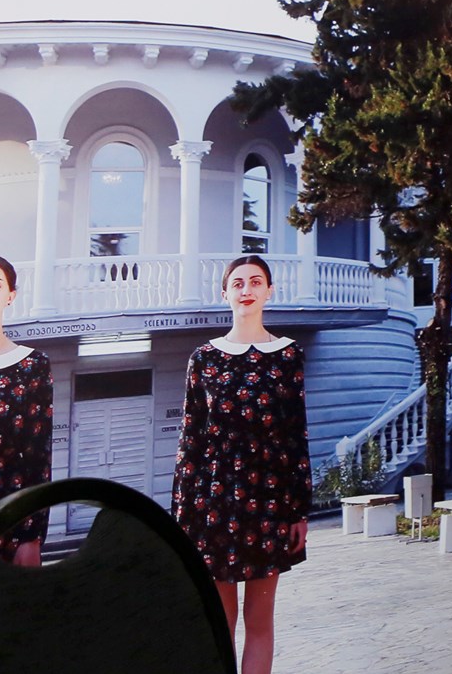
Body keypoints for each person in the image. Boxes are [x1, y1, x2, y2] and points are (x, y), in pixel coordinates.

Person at [172, 254, 311, 674]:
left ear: (269, 291)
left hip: (269, 502)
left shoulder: (288, 356)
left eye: (255, 282)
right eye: (237, 283)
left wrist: (299, 510)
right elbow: (191, 440)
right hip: (214, 504)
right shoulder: (204, 358)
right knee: (220, 623)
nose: (246, 290)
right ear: (225, 294)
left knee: (260, 621)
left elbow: (295, 434)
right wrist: (181, 515)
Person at [0, 254, 52, 567]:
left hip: (5, 525)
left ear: (10, 296)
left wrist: (31, 537)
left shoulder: (32, 365)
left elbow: (38, 458)